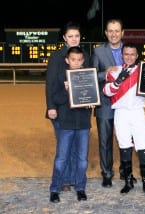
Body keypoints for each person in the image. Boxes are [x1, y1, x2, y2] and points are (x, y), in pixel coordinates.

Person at [103, 42, 145, 197]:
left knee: (143, 148)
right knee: (125, 147)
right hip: (121, 113)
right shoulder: (114, 71)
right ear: (122, 55)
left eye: (133, 54)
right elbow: (106, 91)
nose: (129, 57)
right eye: (126, 54)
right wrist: (119, 80)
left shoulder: (144, 70)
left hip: (138, 112)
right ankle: (128, 181)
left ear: (137, 56)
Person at [91, 19, 137, 187]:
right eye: (110, 31)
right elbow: (93, 76)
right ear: (106, 32)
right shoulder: (98, 52)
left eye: (117, 31)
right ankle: (107, 173)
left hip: (127, 104)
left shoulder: (130, 50)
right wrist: (106, 73)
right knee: (105, 140)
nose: (113, 34)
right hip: (105, 103)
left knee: (127, 140)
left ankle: (126, 171)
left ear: (122, 32)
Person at [45, 21, 90, 192]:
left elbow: (89, 82)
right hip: (60, 108)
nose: (73, 39)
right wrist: (51, 107)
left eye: (76, 36)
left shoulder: (84, 55)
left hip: (79, 111)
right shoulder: (56, 57)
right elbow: (50, 84)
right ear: (64, 37)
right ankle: (63, 179)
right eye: (70, 36)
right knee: (64, 147)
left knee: (75, 148)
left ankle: (71, 179)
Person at [49, 46, 93, 203]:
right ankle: (55, 188)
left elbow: (93, 98)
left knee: (82, 159)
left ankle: (80, 188)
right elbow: (56, 99)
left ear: (83, 60)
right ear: (67, 60)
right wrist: (66, 90)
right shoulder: (61, 77)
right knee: (61, 157)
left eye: (79, 60)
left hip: (83, 124)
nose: (76, 62)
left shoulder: (88, 77)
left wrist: (92, 102)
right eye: (73, 59)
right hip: (66, 123)